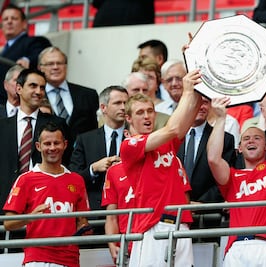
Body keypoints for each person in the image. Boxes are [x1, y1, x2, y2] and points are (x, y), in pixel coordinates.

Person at [207, 56, 266, 266]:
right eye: (246, 138)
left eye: (257, 138)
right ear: (239, 148)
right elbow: (213, 158)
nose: (251, 141)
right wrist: (220, 119)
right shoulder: (232, 177)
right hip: (236, 248)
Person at [121, 70, 202, 266]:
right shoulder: (129, 145)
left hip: (180, 223)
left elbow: (189, 116)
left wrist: (198, 79)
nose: (147, 116)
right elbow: (173, 128)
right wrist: (186, 92)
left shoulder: (166, 142)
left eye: (150, 111)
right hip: (152, 225)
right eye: (140, 113)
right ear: (129, 118)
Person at [3, 122, 91, 267]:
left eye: (56, 143)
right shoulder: (26, 179)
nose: (52, 148)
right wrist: (31, 217)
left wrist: (84, 227)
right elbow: (8, 223)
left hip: (70, 259)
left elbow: (82, 221)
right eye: (47, 143)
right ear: (38, 146)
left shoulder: (77, 180)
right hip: (37, 258)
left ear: (65, 144)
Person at [0, 68, 71, 212]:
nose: (39, 92)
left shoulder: (57, 124)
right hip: (5, 201)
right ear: (19, 88)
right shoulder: (2, 126)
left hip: (45, 202)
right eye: (33, 86)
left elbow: (66, 163)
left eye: (42, 87)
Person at [69, 86, 128, 211]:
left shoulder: (134, 137)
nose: (123, 107)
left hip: (126, 208)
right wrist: (93, 168)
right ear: (103, 108)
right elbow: (72, 178)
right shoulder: (85, 140)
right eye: (117, 103)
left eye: (126, 103)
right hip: (95, 210)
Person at [38, 46, 99, 139]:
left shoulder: (88, 95)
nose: (55, 67)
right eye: (50, 64)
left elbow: (94, 130)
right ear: (40, 68)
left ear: (66, 66)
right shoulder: (35, 96)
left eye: (59, 63)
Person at [0, 4, 51, 104]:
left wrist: (27, 60)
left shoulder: (35, 41)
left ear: (24, 24)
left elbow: (43, 53)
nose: (9, 21)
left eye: (14, 18)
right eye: (5, 19)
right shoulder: (4, 50)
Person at [102, 121, 136, 264]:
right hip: (127, 244)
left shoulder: (160, 164)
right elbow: (111, 217)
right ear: (127, 135)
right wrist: (112, 243)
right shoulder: (114, 171)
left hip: (154, 240)